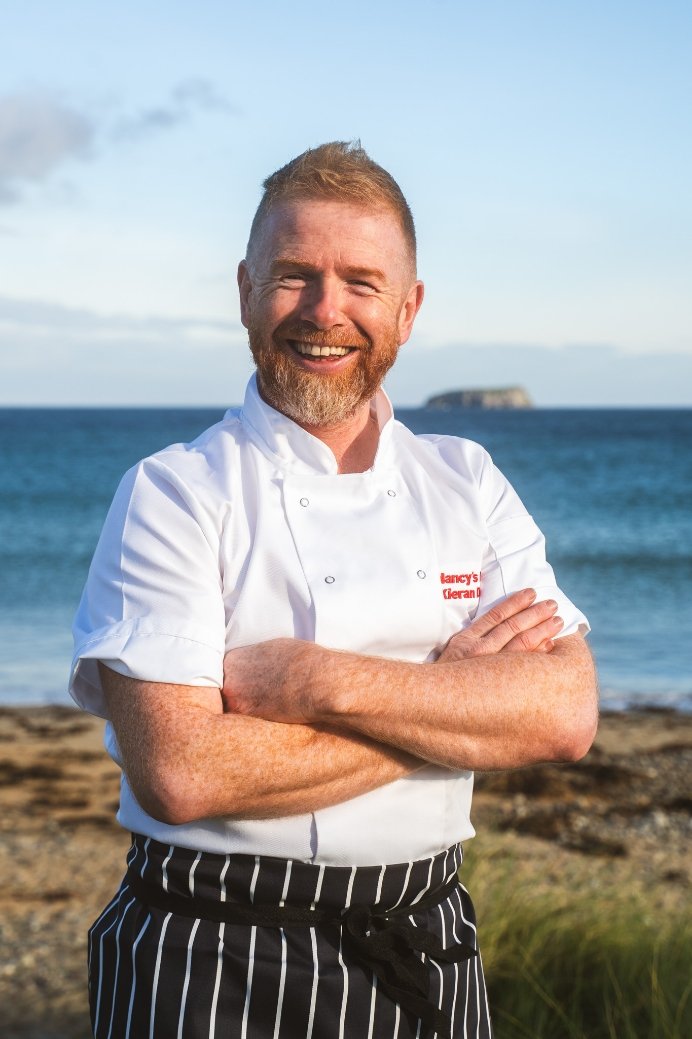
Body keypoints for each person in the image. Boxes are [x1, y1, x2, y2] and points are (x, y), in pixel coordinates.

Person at [70, 141, 598, 1039]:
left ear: (408, 306)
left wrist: (312, 680)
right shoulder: (172, 492)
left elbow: (564, 712)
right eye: (293, 276)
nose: (325, 312)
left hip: (425, 941)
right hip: (207, 954)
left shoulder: (467, 478)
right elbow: (181, 773)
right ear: (244, 290)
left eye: (361, 280)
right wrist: (454, 705)